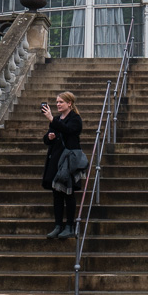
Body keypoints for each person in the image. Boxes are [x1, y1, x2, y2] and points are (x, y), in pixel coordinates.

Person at [41, 91, 83, 239]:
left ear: (69, 103)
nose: (58, 104)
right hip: (56, 160)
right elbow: (46, 139)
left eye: (61, 102)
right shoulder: (57, 119)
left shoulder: (75, 118)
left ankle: (69, 226)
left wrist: (51, 119)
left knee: (68, 193)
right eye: (57, 102)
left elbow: (69, 131)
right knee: (57, 194)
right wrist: (49, 137)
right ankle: (58, 225)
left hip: (68, 161)